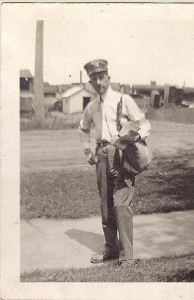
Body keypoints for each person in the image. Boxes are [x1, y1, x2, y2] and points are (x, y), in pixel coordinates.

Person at [79, 59, 151, 266]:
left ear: (108, 78)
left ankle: (127, 256)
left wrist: (137, 137)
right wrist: (87, 151)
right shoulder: (91, 106)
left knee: (121, 204)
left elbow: (144, 124)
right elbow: (83, 130)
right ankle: (110, 249)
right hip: (102, 155)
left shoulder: (123, 99)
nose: (99, 82)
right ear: (90, 83)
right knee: (106, 206)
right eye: (94, 79)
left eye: (102, 77)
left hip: (122, 154)